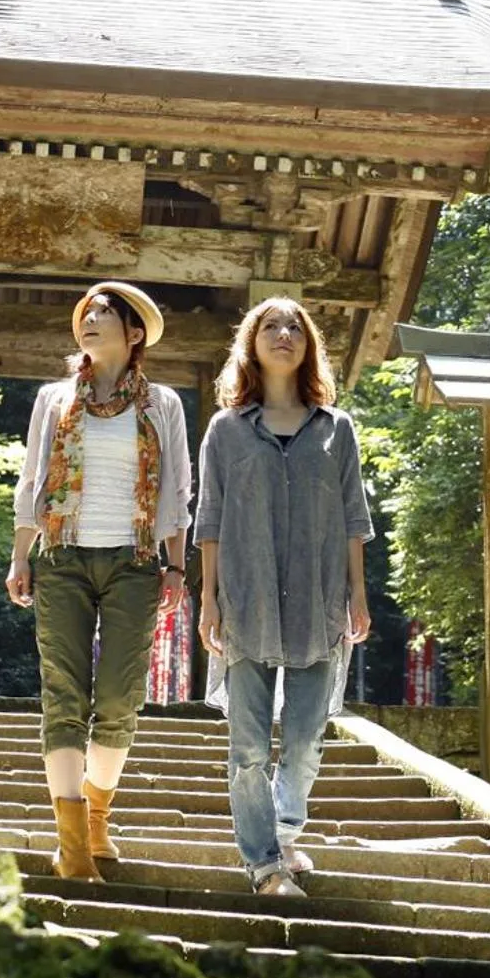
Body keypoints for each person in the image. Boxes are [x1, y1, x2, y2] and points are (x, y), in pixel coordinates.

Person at [8, 282, 191, 881]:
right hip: (61, 557)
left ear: (134, 334)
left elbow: (177, 488)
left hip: (135, 562)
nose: (91, 320)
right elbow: (33, 478)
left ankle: (97, 819)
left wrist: (176, 565)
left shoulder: (161, 404)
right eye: (87, 313)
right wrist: (20, 556)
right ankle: (72, 847)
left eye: (105, 313)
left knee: (117, 698)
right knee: (64, 695)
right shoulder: (53, 399)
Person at [194, 296, 373, 896]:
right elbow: (210, 519)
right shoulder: (226, 430)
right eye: (270, 325)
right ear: (252, 342)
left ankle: (286, 828)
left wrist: (358, 593)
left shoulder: (336, 428)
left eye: (296, 326)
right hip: (246, 599)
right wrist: (208, 599)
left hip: (318, 600)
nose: (284, 333)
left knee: (304, 738)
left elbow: (354, 517)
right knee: (248, 745)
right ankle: (265, 864)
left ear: (308, 345)